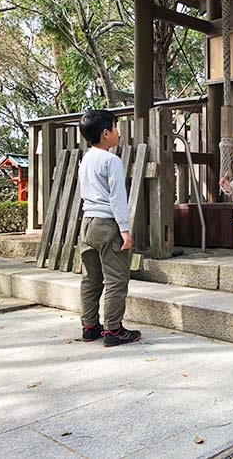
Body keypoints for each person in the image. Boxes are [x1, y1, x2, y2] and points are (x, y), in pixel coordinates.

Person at [77, 110, 141, 347]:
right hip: (106, 224)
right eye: (115, 127)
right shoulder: (111, 160)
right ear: (106, 133)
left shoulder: (86, 160)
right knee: (116, 279)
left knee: (91, 279)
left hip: (87, 224)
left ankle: (90, 326)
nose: (118, 132)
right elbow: (117, 198)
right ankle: (113, 330)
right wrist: (124, 230)